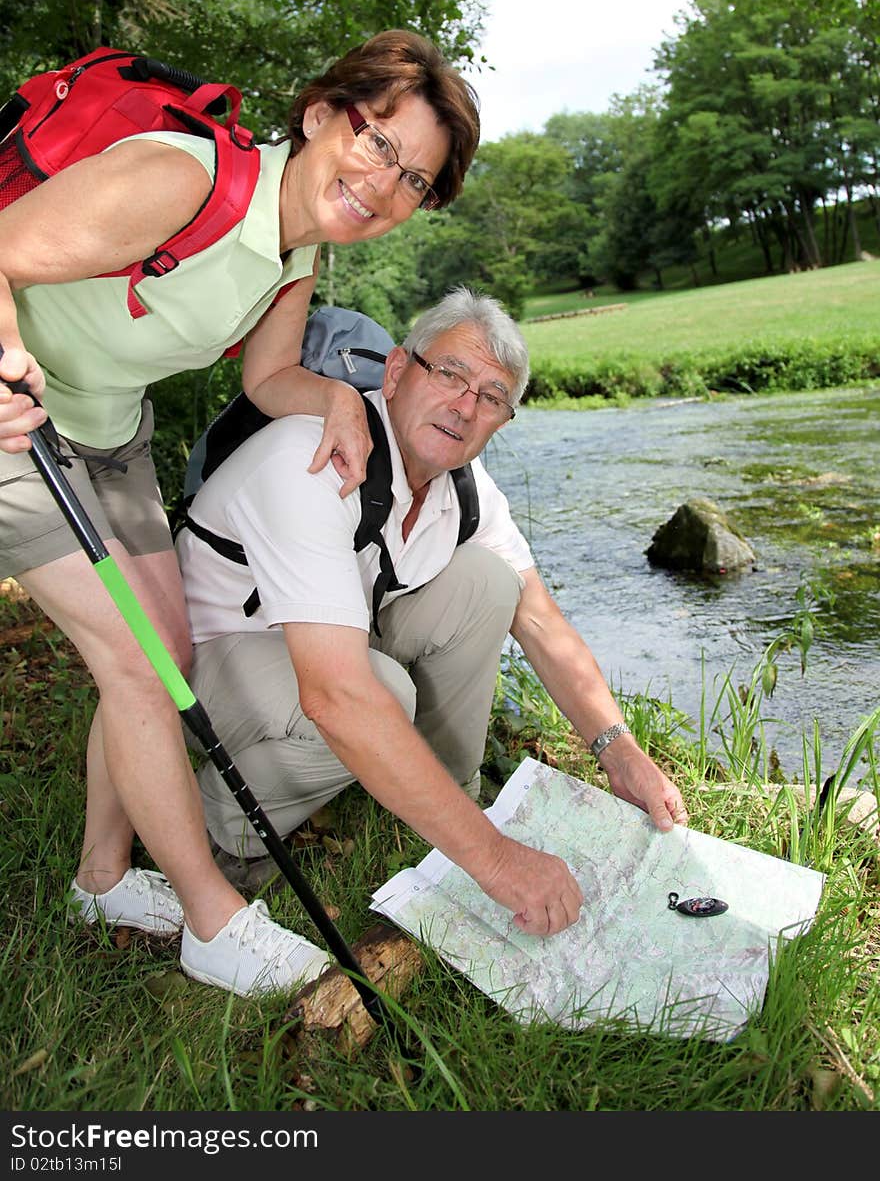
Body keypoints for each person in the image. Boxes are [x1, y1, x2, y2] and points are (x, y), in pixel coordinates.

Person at [0, 31, 480, 996]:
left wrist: (340, 399)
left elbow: (269, 380)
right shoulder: (185, 180)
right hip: (16, 419)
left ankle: (101, 880)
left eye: (415, 180)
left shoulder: (295, 258)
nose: (386, 185)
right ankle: (213, 921)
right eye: (380, 143)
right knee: (136, 662)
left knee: (165, 655)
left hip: (107, 432)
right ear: (320, 116)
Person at [177, 287, 689, 958]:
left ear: (501, 422)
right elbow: (338, 696)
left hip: (321, 639)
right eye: (450, 374)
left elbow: (544, 627)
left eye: (492, 396)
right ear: (396, 372)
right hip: (207, 666)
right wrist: (499, 862)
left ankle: (447, 807)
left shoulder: (467, 489)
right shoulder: (314, 453)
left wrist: (620, 753)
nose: (465, 404)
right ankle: (228, 832)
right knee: (380, 692)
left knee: (488, 583)